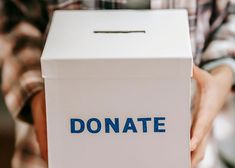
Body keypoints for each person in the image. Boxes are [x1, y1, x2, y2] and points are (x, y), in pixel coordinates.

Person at [0, 0, 235, 168]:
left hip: (186, 145)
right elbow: (11, 15)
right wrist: (35, 95)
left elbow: (230, 15)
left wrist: (221, 76)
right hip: (53, 148)